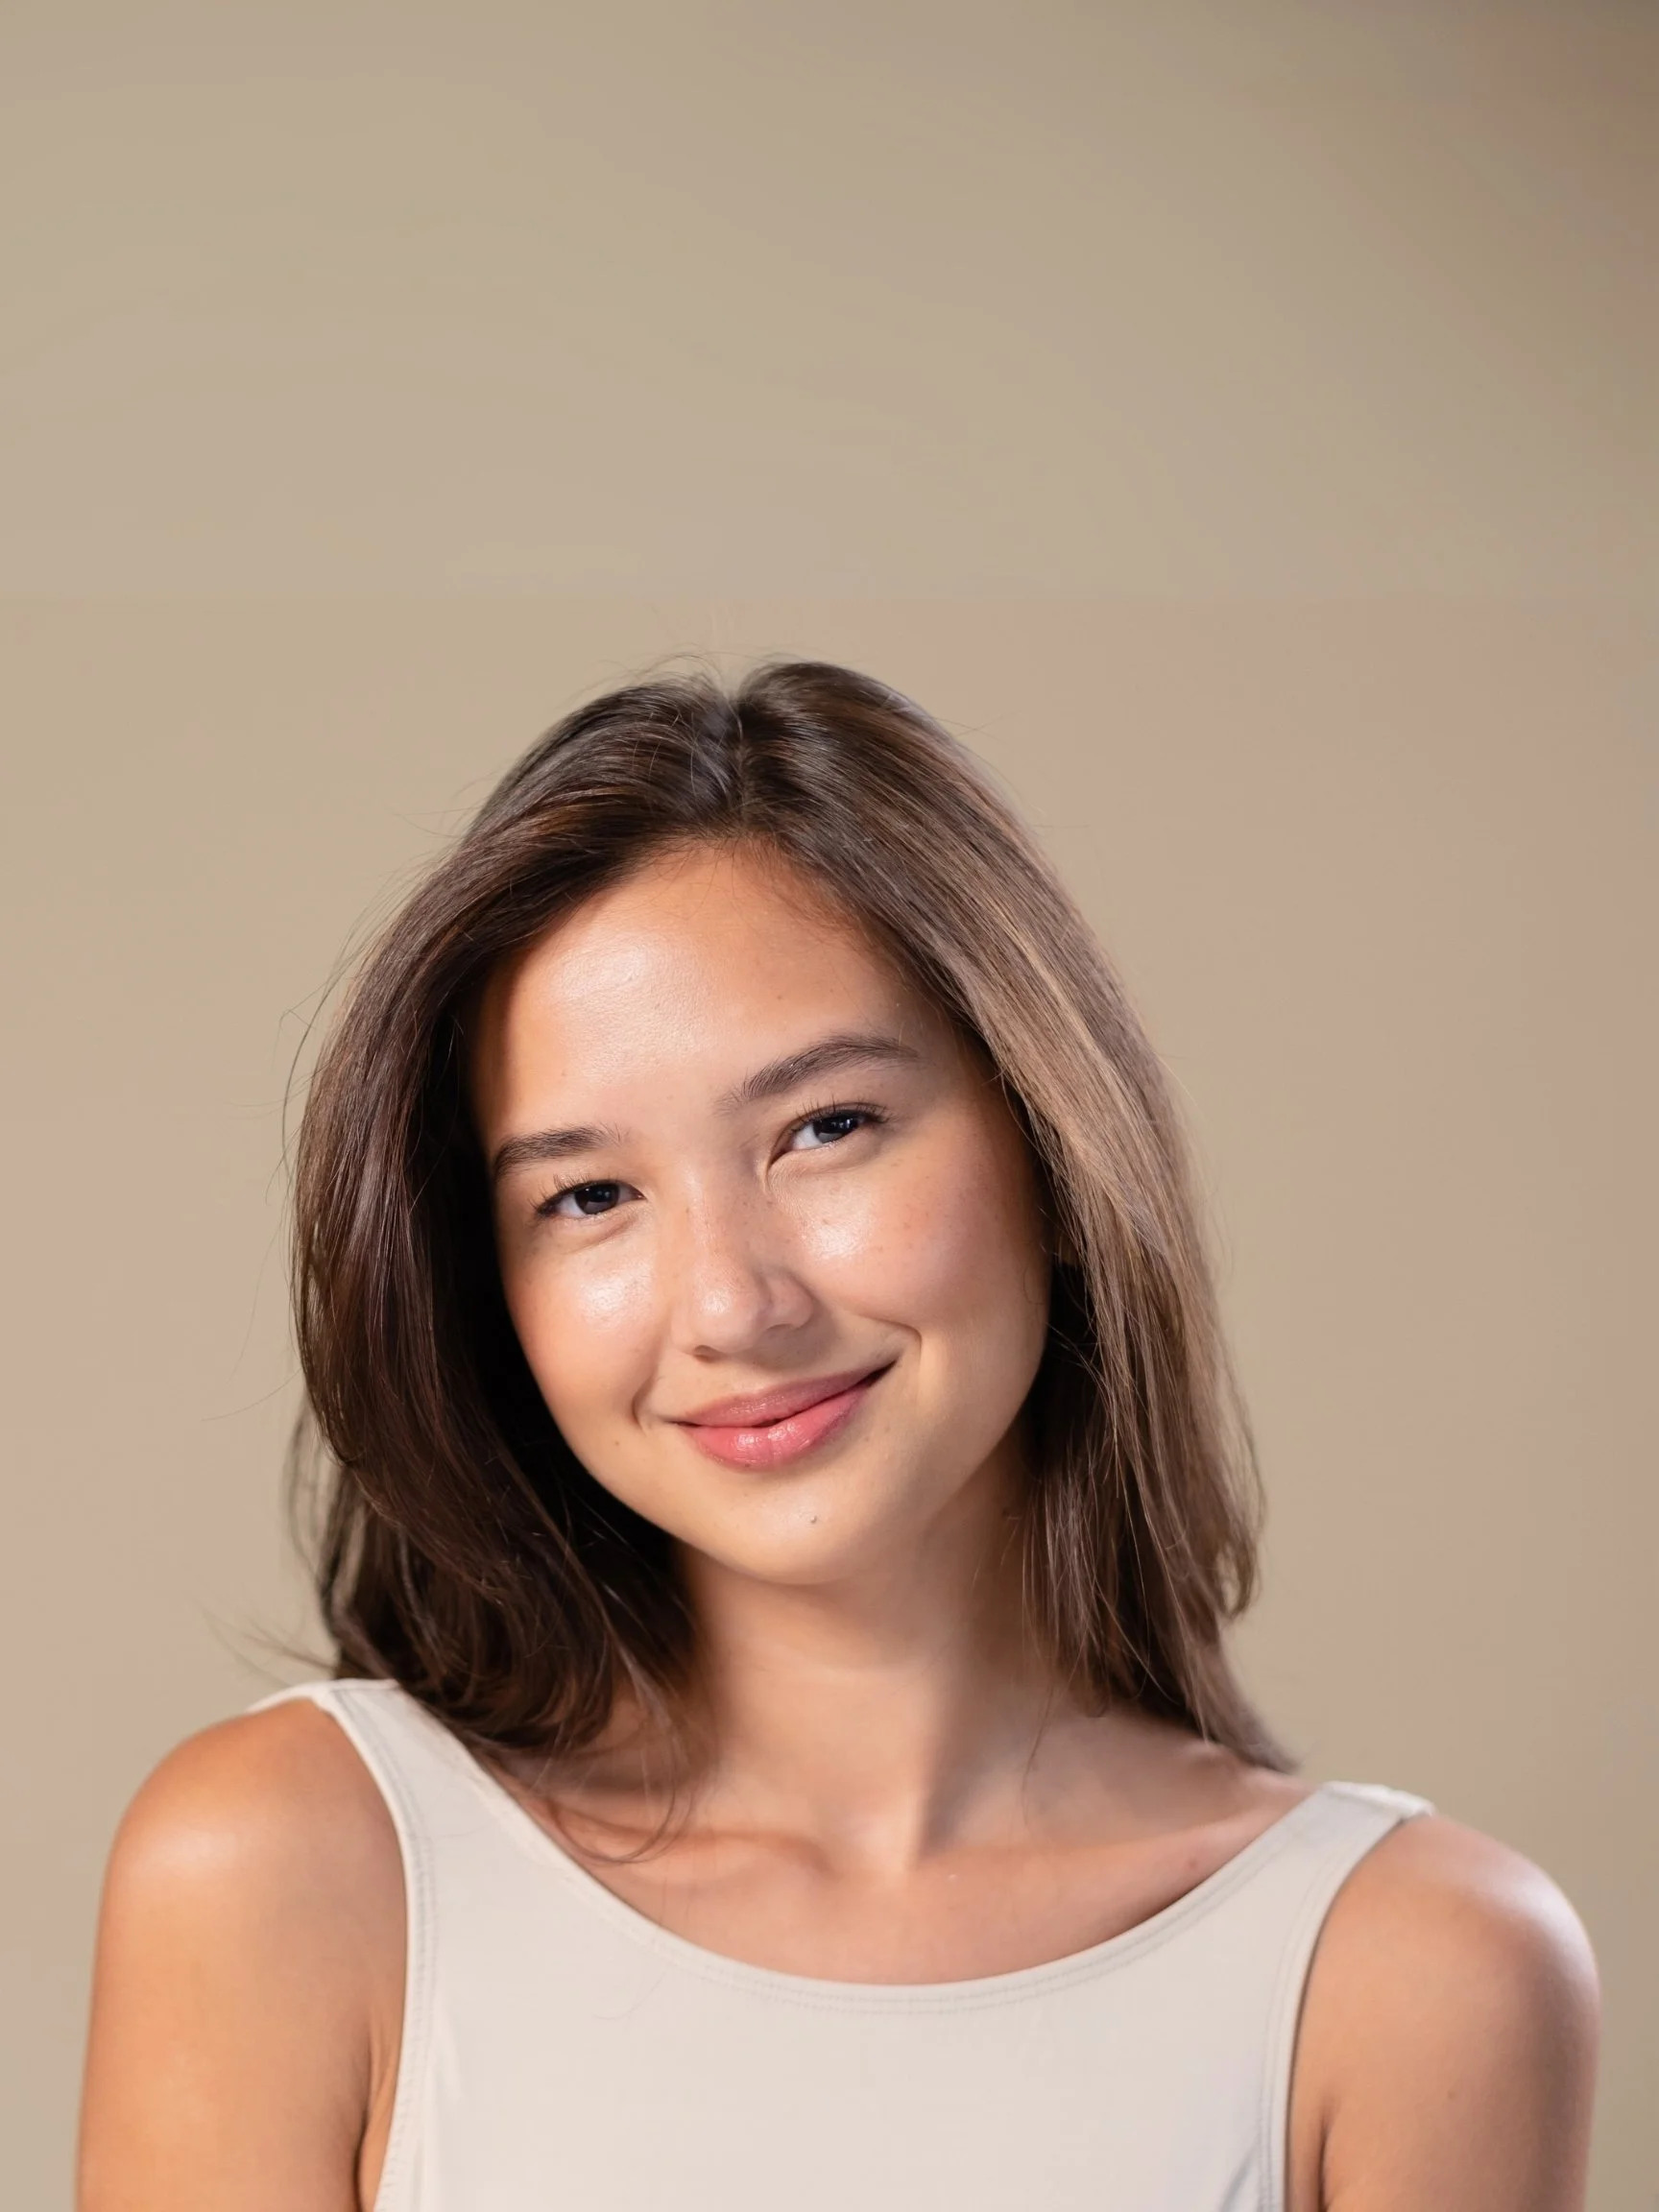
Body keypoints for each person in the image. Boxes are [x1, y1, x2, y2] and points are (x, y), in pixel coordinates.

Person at [78, 662, 1599, 2211]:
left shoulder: (1414, 1976)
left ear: (1053, 1149)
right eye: (588, 1197)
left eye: (826, 1129)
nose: (732, 1305)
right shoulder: (291, 1876)